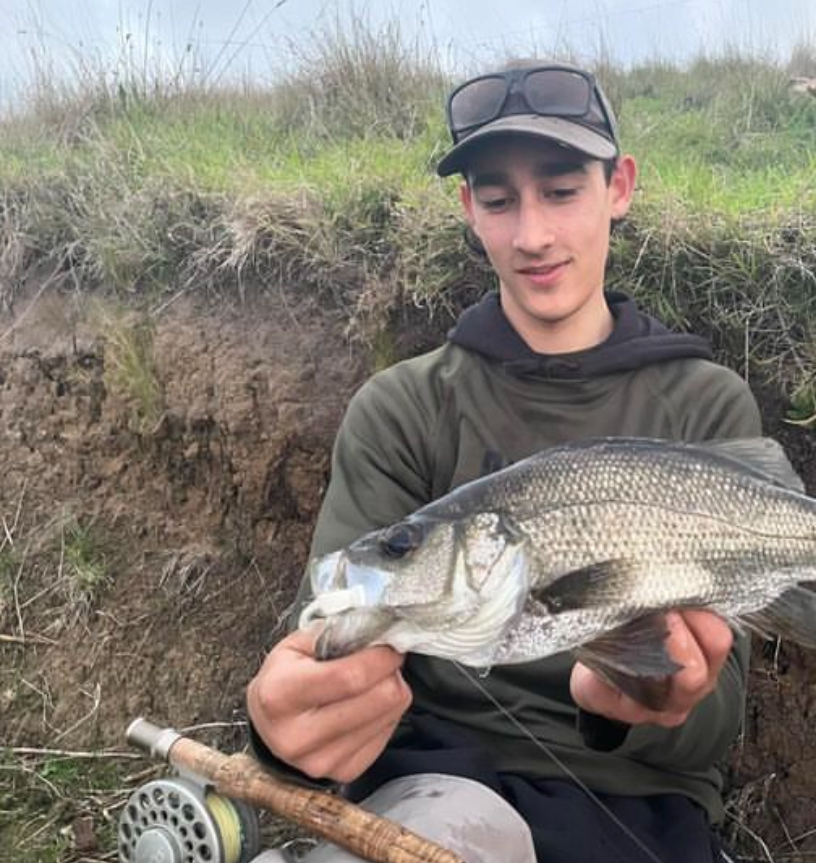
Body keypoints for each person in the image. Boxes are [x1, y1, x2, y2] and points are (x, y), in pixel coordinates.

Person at [245, 59, 764, 863]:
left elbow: (716, 718)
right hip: (436, 792)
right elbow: (329, 625)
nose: (531, 235)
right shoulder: (400, 409)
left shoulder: (705, 405)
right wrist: (288, 728)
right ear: (468, 210)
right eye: (498, 199)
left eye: (561, 190)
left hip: (638, 811)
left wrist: (644, 701)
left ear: (619, 186)